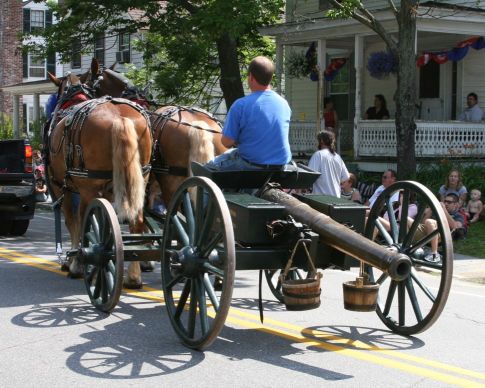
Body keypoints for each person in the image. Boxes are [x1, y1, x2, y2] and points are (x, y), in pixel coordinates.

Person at [206, 56, 291, 171]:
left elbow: (226, 142)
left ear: (251, 77)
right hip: (281, 166)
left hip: (251, 165)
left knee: (208, 168)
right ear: (270, 77)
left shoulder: (241, 105)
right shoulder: (284, 104)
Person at [308, 130, 349, 197]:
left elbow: (310, 176)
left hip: (321, 199)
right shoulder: (337, 157)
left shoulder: (318, 155)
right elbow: (346, 177)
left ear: (321, 141)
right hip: (336, 197)